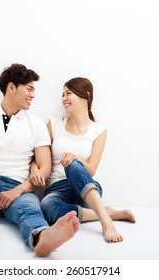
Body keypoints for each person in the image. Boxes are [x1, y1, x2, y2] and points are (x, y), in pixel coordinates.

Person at [0, 63, 79, 257]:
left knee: (30, 209)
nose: (33, 95)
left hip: (17, 190)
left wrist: (16, 191)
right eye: (29, 88)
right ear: (11, 87)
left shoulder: (35, 123)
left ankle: (42, 237)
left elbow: (44, 169)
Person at [30, 77, 135, 243]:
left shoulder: (99, 131)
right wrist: (34, 170)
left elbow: (91, 170)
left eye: (68, 93)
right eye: (62, 94)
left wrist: (76, 159)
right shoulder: (54, 124)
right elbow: (37, 158)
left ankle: (106, 222)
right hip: (57, 189)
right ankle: (106, 212)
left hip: (85, 189)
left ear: (86, 96)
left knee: (72, 164)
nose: (63, 98)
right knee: (46, 208)